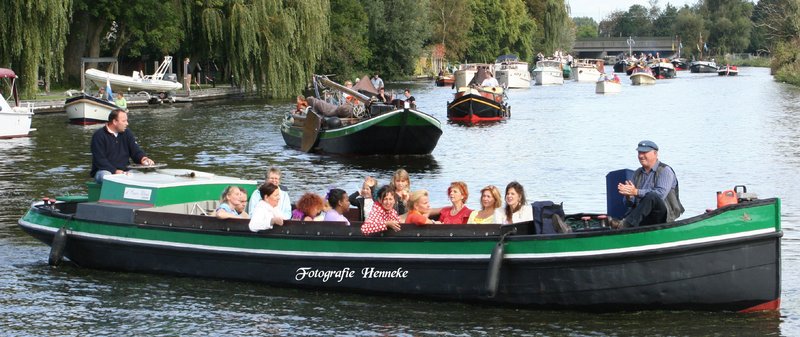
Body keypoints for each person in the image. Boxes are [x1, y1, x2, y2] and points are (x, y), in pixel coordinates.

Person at [610, 140, 684, 229]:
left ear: (655, 154)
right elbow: (629, 204)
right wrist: (628, 196)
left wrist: (636, 192)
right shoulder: (637, 173)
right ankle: (621, 224)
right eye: (639, 152)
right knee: (611, 219)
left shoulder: (665, 171)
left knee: (652, 196)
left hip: (662, 216)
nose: (641, 156)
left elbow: (660, 194)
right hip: (641, 215)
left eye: (644, 152)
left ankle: (625, 225)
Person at [90, 109, 155, 184]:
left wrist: (143, 159)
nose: (127, 123)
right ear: (115, 122)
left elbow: (135, 151)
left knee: (141, 176)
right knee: (108, 177)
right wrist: (115, 171)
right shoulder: (99, 136)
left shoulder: (127, 133)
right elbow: (100, 160)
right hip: (104, 171)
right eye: (124, 121)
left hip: (125, 170)